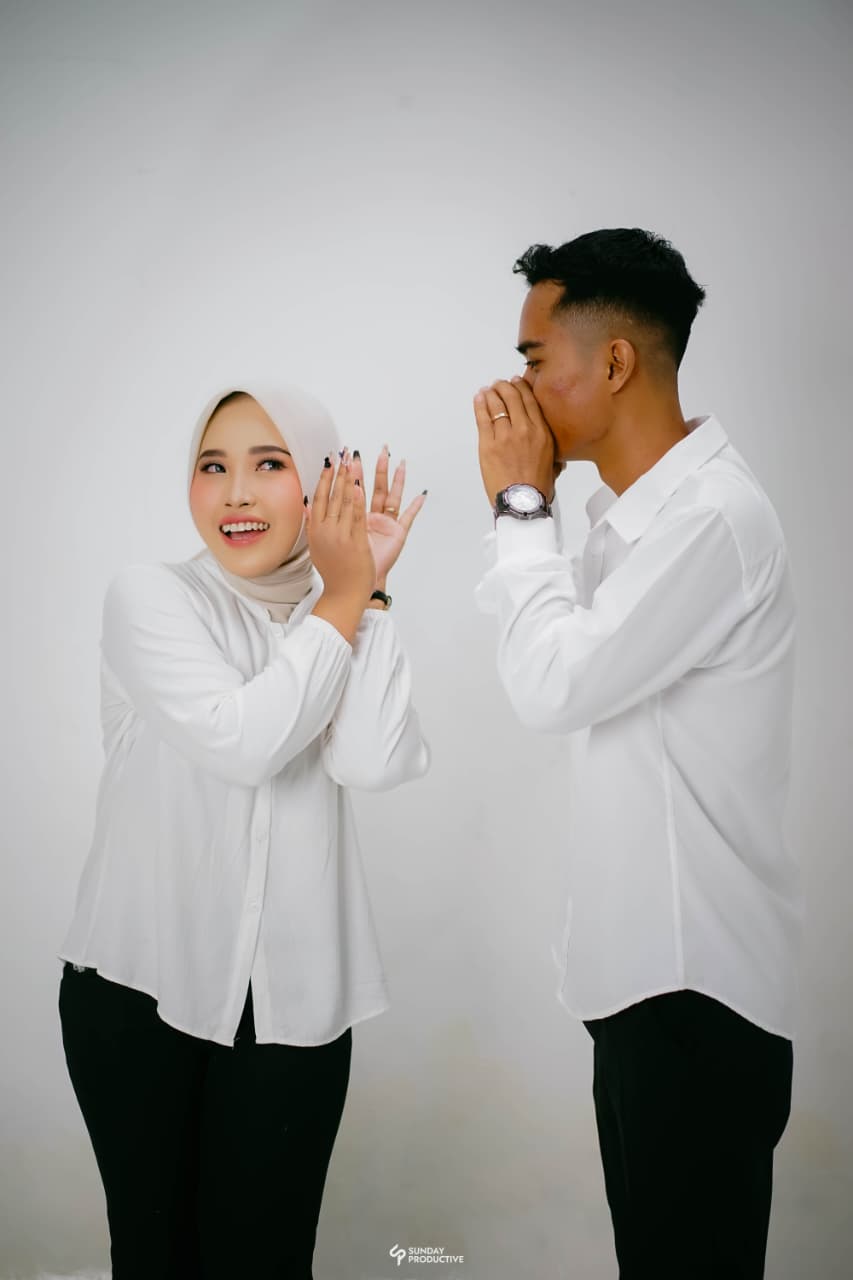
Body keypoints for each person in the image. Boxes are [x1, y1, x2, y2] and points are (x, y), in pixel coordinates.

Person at [473, 228, 799, 1279]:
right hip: (648, 989)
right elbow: (556, 664)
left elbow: (551, 684)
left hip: (692, 994)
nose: (515, 390)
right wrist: (537, 515)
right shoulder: (629, 526)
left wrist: (520, 504)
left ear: (613, 361)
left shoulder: (712, 518)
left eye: (533, 360)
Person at [58, 383, 429, 1279]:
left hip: (293, 1005)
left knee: (266, 1260)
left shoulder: (337, 611)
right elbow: (244, 743)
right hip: (139, 989)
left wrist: (369, 593)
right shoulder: (150, 597)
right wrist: (346, 599)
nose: (235, 494)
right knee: (155, 1256)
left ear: (324, 485)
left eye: (269, 464)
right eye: (212, 466)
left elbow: (373, 761)